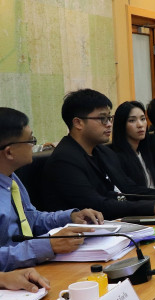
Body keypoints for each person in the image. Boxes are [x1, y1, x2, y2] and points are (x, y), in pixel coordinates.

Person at [43, 89, 155, 220]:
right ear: (78, 123)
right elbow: (97, 205)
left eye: (109, 118)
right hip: (83, 235)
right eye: (102, 118)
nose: (109, 124)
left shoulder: (102, 151)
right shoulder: (64, 160)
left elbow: (129, 189)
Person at [0, 107, 104, 272]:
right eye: (30, 140)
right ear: (9, 152)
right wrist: (46, 245)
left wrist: (70, 217)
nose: (34, 146)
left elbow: (31, 218)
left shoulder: (11, 178)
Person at [111, 101, 155, 188]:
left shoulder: (146, 151)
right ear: (121, 125)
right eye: (132, 120)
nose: (140, 125)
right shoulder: (116, 158)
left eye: (143, 119)